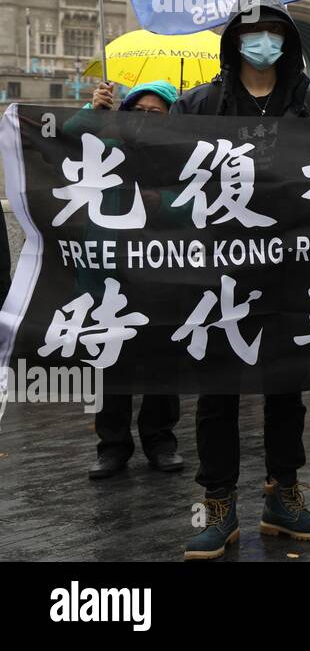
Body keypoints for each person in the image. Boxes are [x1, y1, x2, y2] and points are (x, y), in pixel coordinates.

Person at [174, 0, 310, 560]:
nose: (264, 40)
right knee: (216, 388)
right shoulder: (197, 107)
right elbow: (168, 182)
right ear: (234, 41)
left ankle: (284, 494)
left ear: (288, 42)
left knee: (285, 385)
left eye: (275, 31)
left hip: (289, 272)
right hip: (218, 271)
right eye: (253, 31)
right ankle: (218, 505)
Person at [85, 80, 184, 480]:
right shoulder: (109, 151)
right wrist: (93, 111)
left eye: (155, 112)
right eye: (137, 111)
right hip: (112, 274)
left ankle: (161, 442)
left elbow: (205, 198)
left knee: (162, 362)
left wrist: (164, 203)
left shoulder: (183, 156)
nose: (145, 118)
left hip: (165, 272)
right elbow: (66, 141)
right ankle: (112, 447)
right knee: (111, 363)